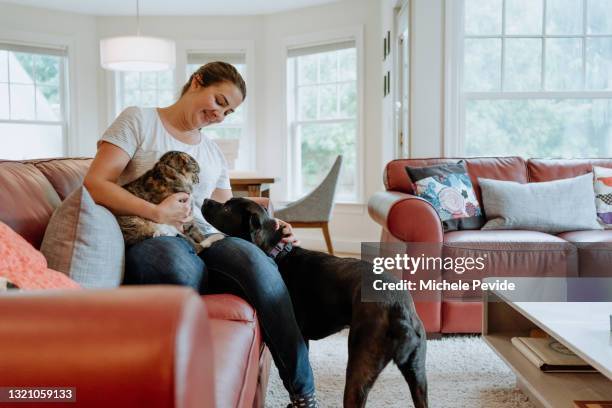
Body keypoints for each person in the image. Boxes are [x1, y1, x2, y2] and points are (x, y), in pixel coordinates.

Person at [84, 62, 317, 408]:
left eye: (229, 111)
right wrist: (156, 212)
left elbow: (225, 214)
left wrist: (271, 230)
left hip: (206, 239)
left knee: (258, 266)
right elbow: (95, 183)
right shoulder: (139, 120)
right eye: (219, 100)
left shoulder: (212, 152)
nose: (220, 114)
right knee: (177, 269)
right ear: (196, 82)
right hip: (151, 235)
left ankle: (303, 393)